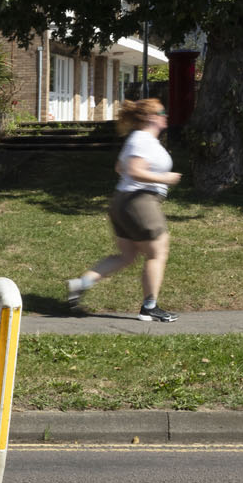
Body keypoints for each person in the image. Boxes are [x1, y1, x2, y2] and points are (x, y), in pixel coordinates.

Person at [66, 97, 181, 322]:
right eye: (162, 112)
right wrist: (163, 178)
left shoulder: (136, 140)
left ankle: (81, 284)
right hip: (140, 201)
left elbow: (120, 167)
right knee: (157, 253)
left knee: (127, 256)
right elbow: (134, 170)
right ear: (151, 117)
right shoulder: (143, 140)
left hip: (123, 200)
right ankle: (150, 307)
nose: (165, 116)